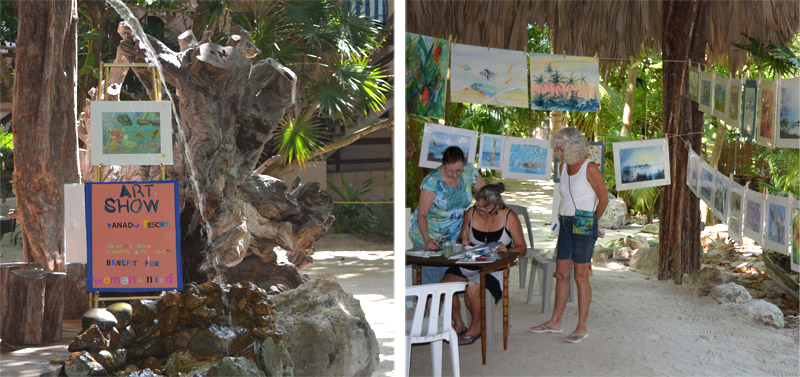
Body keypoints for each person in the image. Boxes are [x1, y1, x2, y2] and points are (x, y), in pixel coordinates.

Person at [530, 127, 608, 343]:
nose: (559, 153)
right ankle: (555, 321)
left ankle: (581, 327)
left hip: (583, 224)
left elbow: (604, 200)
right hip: (564, 223)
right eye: (558, 149)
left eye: (561, 149)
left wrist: (592, 222)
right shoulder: (564, 167)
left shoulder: (590, 168)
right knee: (562, 274)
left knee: (580, 276)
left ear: (573, 147)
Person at [441, 183, 526, 345]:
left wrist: (507, 250)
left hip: (493, 269)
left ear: (497, 206)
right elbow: (462, 237)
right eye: (478, 208)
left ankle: (476, 327)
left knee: (473, 289)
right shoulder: (471, 214)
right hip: (468, 263)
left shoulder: (509, 217)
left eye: (485, 210)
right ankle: (458, 324)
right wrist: (463, 241)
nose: (481, 212)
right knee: (443, 288)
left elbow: (522, 248)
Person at [409, 146, 485, 284]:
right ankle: (429, 306)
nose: (455, 175)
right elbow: (422, 213)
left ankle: (446, 306)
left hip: (454, 238)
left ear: (464, 164)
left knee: (449, 280)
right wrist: (427, 240)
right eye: (450, 171)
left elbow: (486, 197)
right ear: (443, 165)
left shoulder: (470, 171)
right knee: (431, 282)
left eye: (459, 170)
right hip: (429, 236)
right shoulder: (432, 181)